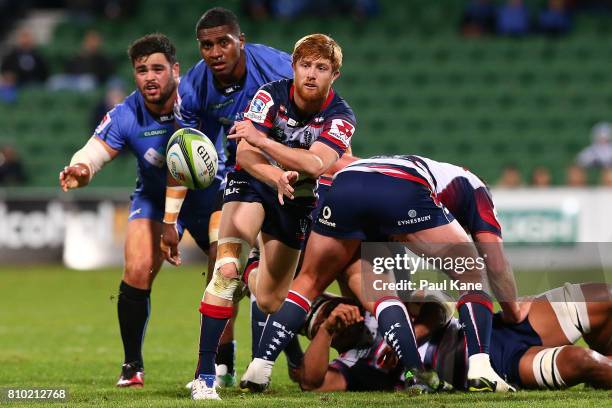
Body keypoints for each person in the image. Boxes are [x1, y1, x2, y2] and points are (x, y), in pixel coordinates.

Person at [243, 155, 517, 394]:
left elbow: (339, 167)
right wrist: (512, 312)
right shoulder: (477, 189)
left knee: (311, 281)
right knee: (470, 271)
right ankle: (478, 367)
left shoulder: (413, 164)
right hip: (399, 190)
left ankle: (260, 365)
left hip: (344, 186)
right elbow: (495, 261)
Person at [189, 33, 355, 400]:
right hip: (254, 182)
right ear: (294, 67)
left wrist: (264, 143)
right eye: (305, 65)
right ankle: (205, 376)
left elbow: (315, 162)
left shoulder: (341, 118)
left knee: (268, 300)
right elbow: (245, 157)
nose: (311, 74)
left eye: (321, 68)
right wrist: (275, 173)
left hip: (298, 200)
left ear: (334, 75)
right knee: (225, 269)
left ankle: (252, 270)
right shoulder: (269, 95)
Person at [59, 33, 222, 388]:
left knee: (225, 276)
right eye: (141, 69)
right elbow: (93, 152)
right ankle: (132, 365)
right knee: (136, 269)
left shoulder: (196, 100)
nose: (150, 77)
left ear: (175, 70)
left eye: (158, 69)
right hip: (152, 198)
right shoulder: (126, 113)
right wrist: (80, 169)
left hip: (210, 197)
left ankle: (223, 362)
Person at [161, 7, 295, 392]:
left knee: (276, 295)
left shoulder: (278, 68)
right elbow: (182, 152)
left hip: (293, 179)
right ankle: (213, 370)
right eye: (207, 45)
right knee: (223, 263)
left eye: (224, 42)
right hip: (245, 178)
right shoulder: (193, 89)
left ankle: (337, 341)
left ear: (241, 41)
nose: (216, 51)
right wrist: (170, 221)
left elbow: (319, 109)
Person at [300, 283, 612, 391]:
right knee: (584, 361)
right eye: (325, 319)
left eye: (334, 308)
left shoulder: (381, 306)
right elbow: (312, 383)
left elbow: (438, 302)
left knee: (602, 299)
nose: (338, 315)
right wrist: (327, 330)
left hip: (495, 326)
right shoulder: (353, 365)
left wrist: (411, 335)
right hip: (503, 364)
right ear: (317, 333)